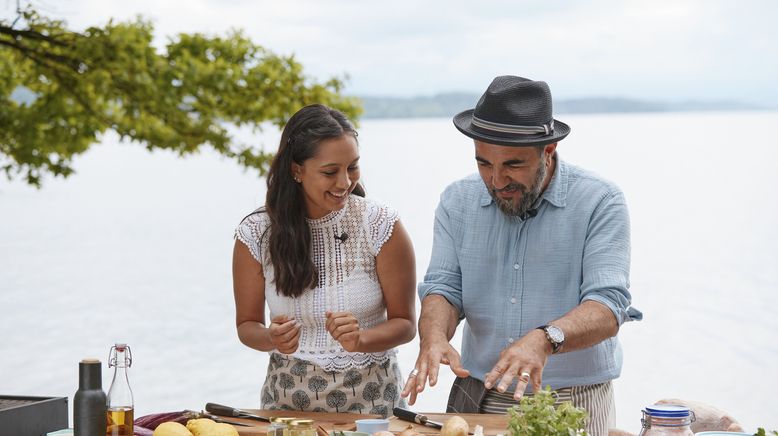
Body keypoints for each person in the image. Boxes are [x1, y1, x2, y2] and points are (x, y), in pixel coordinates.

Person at [400, 76, 642, 434]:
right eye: (484, 164)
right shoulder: (456, 200)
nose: (497, 180)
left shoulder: (600, 201)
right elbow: (444, 288)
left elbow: (607, 306)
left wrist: (545, 339)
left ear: (549, 151)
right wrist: (434, 336)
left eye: (512, 165)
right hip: (474, 394)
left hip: (569, 400)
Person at [233, 104, 416, 417]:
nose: (345, 182)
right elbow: (246, 325)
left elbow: (406, 324)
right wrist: (270, 338)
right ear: (297, 170)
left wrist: (362, 339)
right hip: (287, 408)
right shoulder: (256, 232)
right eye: (330, 172)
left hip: (373, 408)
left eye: (353, 167)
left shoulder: (380, 223)